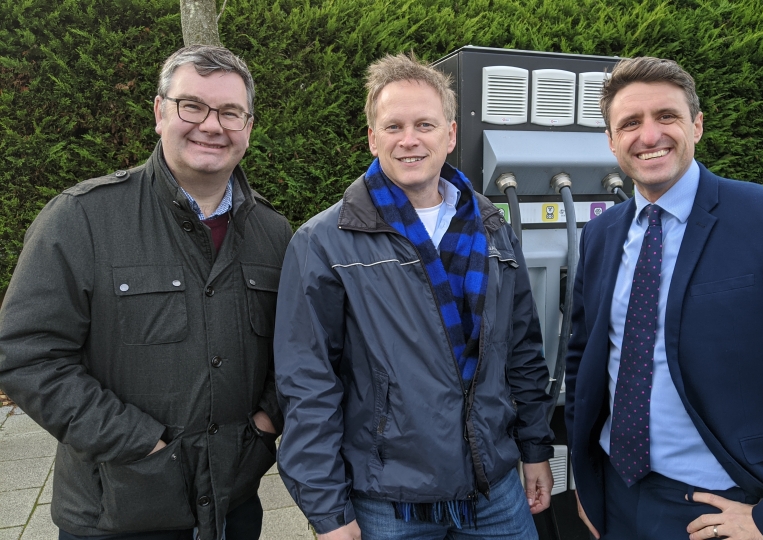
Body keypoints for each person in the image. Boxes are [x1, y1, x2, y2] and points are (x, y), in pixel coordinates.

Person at [0, 45, 292, 540]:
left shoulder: (275, 234)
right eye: (192, 105)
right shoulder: (81, 220)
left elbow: (296, 350)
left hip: (234, 507)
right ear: (160, 112)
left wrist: (265, 424)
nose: (211, 125)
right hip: (118, 513)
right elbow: (26, 354)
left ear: (248, 125)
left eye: (230, 112)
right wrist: (142, 443)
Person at [273, 53, 555, 540]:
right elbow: (308, 385)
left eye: (425, 124)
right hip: (388, 503)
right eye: (394, 126)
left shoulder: (491, 229)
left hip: (495, 489)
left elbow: (522, 349)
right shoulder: (324, 242)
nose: (409, 139)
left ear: (449, 135)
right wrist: (329, 512)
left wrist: (535, 449)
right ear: (372, 137)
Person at [564, 56, 763, 540]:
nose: (649, 136)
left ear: (697, 125)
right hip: (617, 496)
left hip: (722, 508)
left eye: (666, 116)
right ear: (610, 140)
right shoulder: (601, 234)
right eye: (630, 123)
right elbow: (583, 360)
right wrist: (586, 480)